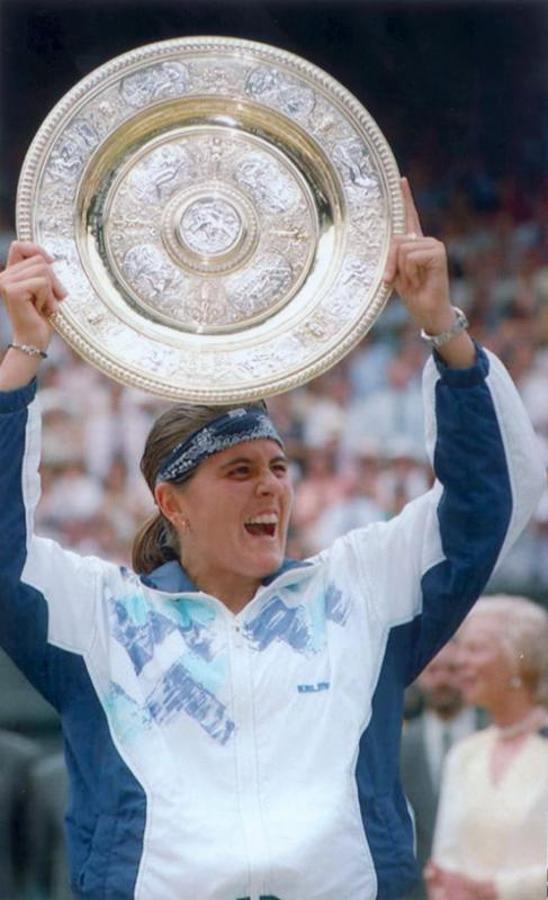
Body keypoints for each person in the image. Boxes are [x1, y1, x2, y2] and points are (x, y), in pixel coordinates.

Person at [0, 178, 544, 900]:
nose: (271, 488)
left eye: (279, 468)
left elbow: (491, 505)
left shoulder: (358, 594)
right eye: (240, 471)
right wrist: (22, 357)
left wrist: (443, 329)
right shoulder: (100, 619)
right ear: (172, 503)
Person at [427, 596, 548, 900]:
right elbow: (445, 863)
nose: (459, 661)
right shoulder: (465, 754)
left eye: (475, 649)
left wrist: (500, 890)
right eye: (461, 648)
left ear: (519, 658)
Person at [400, 641, 485, 899]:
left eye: (452, 669)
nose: (443, 679)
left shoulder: (495, 733)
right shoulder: (400, 746)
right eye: (433, 670)